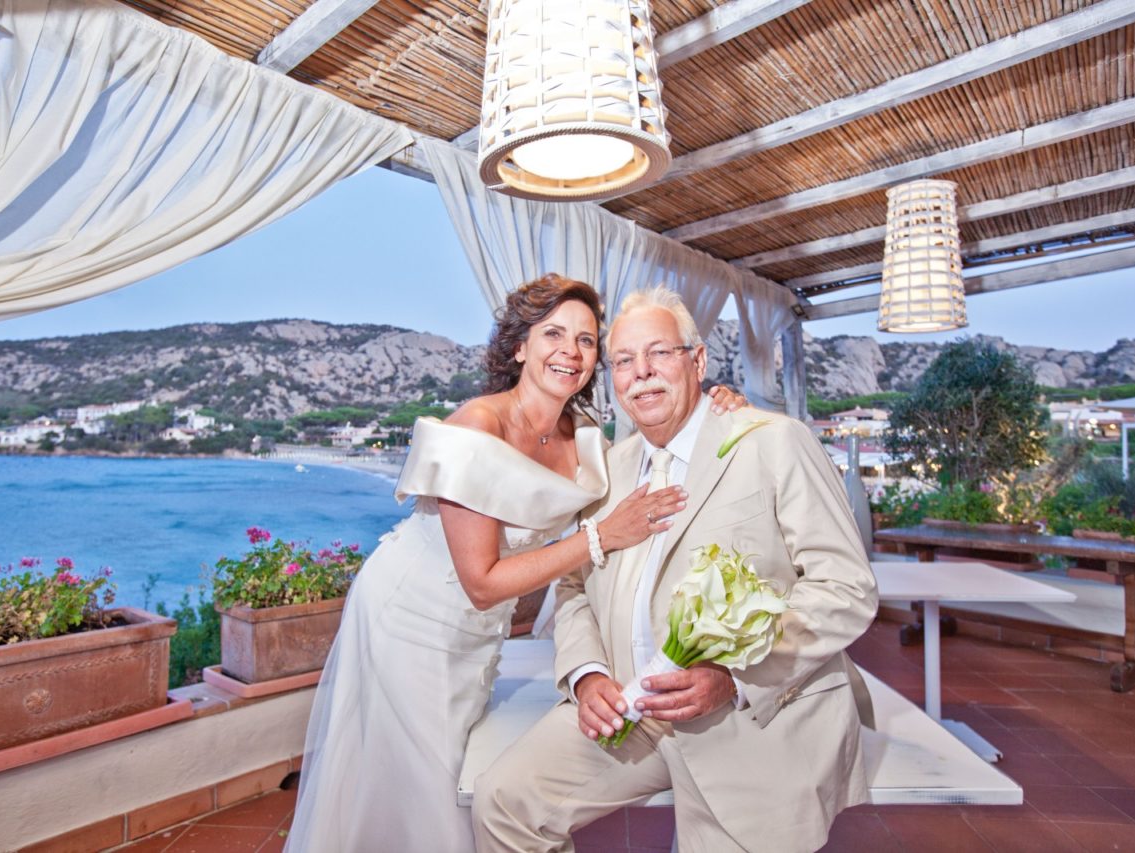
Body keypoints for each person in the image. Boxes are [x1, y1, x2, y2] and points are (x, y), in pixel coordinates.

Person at [285, 275, 743, 852]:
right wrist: (602, 536)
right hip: (410, 619)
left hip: (479, 635)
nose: (570, 352)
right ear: (520, 346)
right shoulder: (477, 428)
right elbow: (481, 582)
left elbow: (661, 426)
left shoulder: (585, 437)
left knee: (457, 769)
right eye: (553, 333)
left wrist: (718, 405)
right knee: (417, 782)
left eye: (585, 341)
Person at [472, 287, 879, 853]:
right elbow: (572, 584)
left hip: (747, 718)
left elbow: (847, 589)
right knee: (503, 803)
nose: (642, 373)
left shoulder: (774, 442)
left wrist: (734, 676)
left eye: (660, 353)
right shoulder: (605, 469)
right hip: (630, 713)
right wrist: (588, 674)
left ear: (699, 360)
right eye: (623, 361)